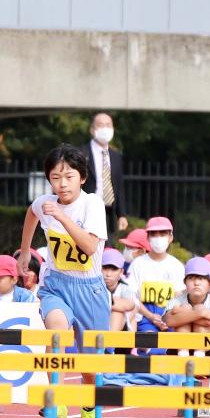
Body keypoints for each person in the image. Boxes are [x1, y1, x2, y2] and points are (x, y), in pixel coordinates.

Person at [17, 144, 109, 339]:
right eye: (56, 178)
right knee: (56, 332)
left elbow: (90, 247)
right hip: (56, 284)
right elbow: (32, 213)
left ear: (82, 178)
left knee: (92, 368)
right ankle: (55, 369)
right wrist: (25, 251)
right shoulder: (45, 202)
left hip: (89, 289)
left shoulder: (92, 204)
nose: (62, 184)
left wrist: (62, 217)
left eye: (69, 177)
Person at [126, 216, 184, 337]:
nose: (158, 238)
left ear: (170, 237)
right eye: (154, 234)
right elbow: (131, 297)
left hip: (171, 317)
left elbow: (180, 298)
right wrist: (151, 316)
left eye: (162, 234)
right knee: (149, 344)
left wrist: (166, 317)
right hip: (144, 317)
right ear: (148, 237)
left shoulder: (177, 266)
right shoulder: (137, 264)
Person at [86, 112, 126, 234]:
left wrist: (121, 214)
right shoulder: (81, 153)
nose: (105, 129)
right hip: (87, 210)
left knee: (107, 249)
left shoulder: (116, 156)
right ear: (92, 130)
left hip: (108, 212)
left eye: (108, 125)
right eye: (101, 125)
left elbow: (118, 186)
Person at [161, 258, 210, 331]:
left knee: (199, 320)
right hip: (179, 341)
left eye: (201, 278)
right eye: (191, 278)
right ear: (185, 282)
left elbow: (209, 322)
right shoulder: (176, 300)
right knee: (186, 308)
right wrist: (202, 313)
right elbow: (167, 321)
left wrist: (182, 316)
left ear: (209, 283)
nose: (196, 283)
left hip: (205, 341)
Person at [102, 248, 140, 326]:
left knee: (117, 314)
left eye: (114, 269)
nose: (108, 274)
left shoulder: (125, 288)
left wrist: (99, 302)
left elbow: (130, 305)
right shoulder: (93, 287)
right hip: (97, 324)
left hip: (122, 327)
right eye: (105, 268)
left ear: (121, 272)